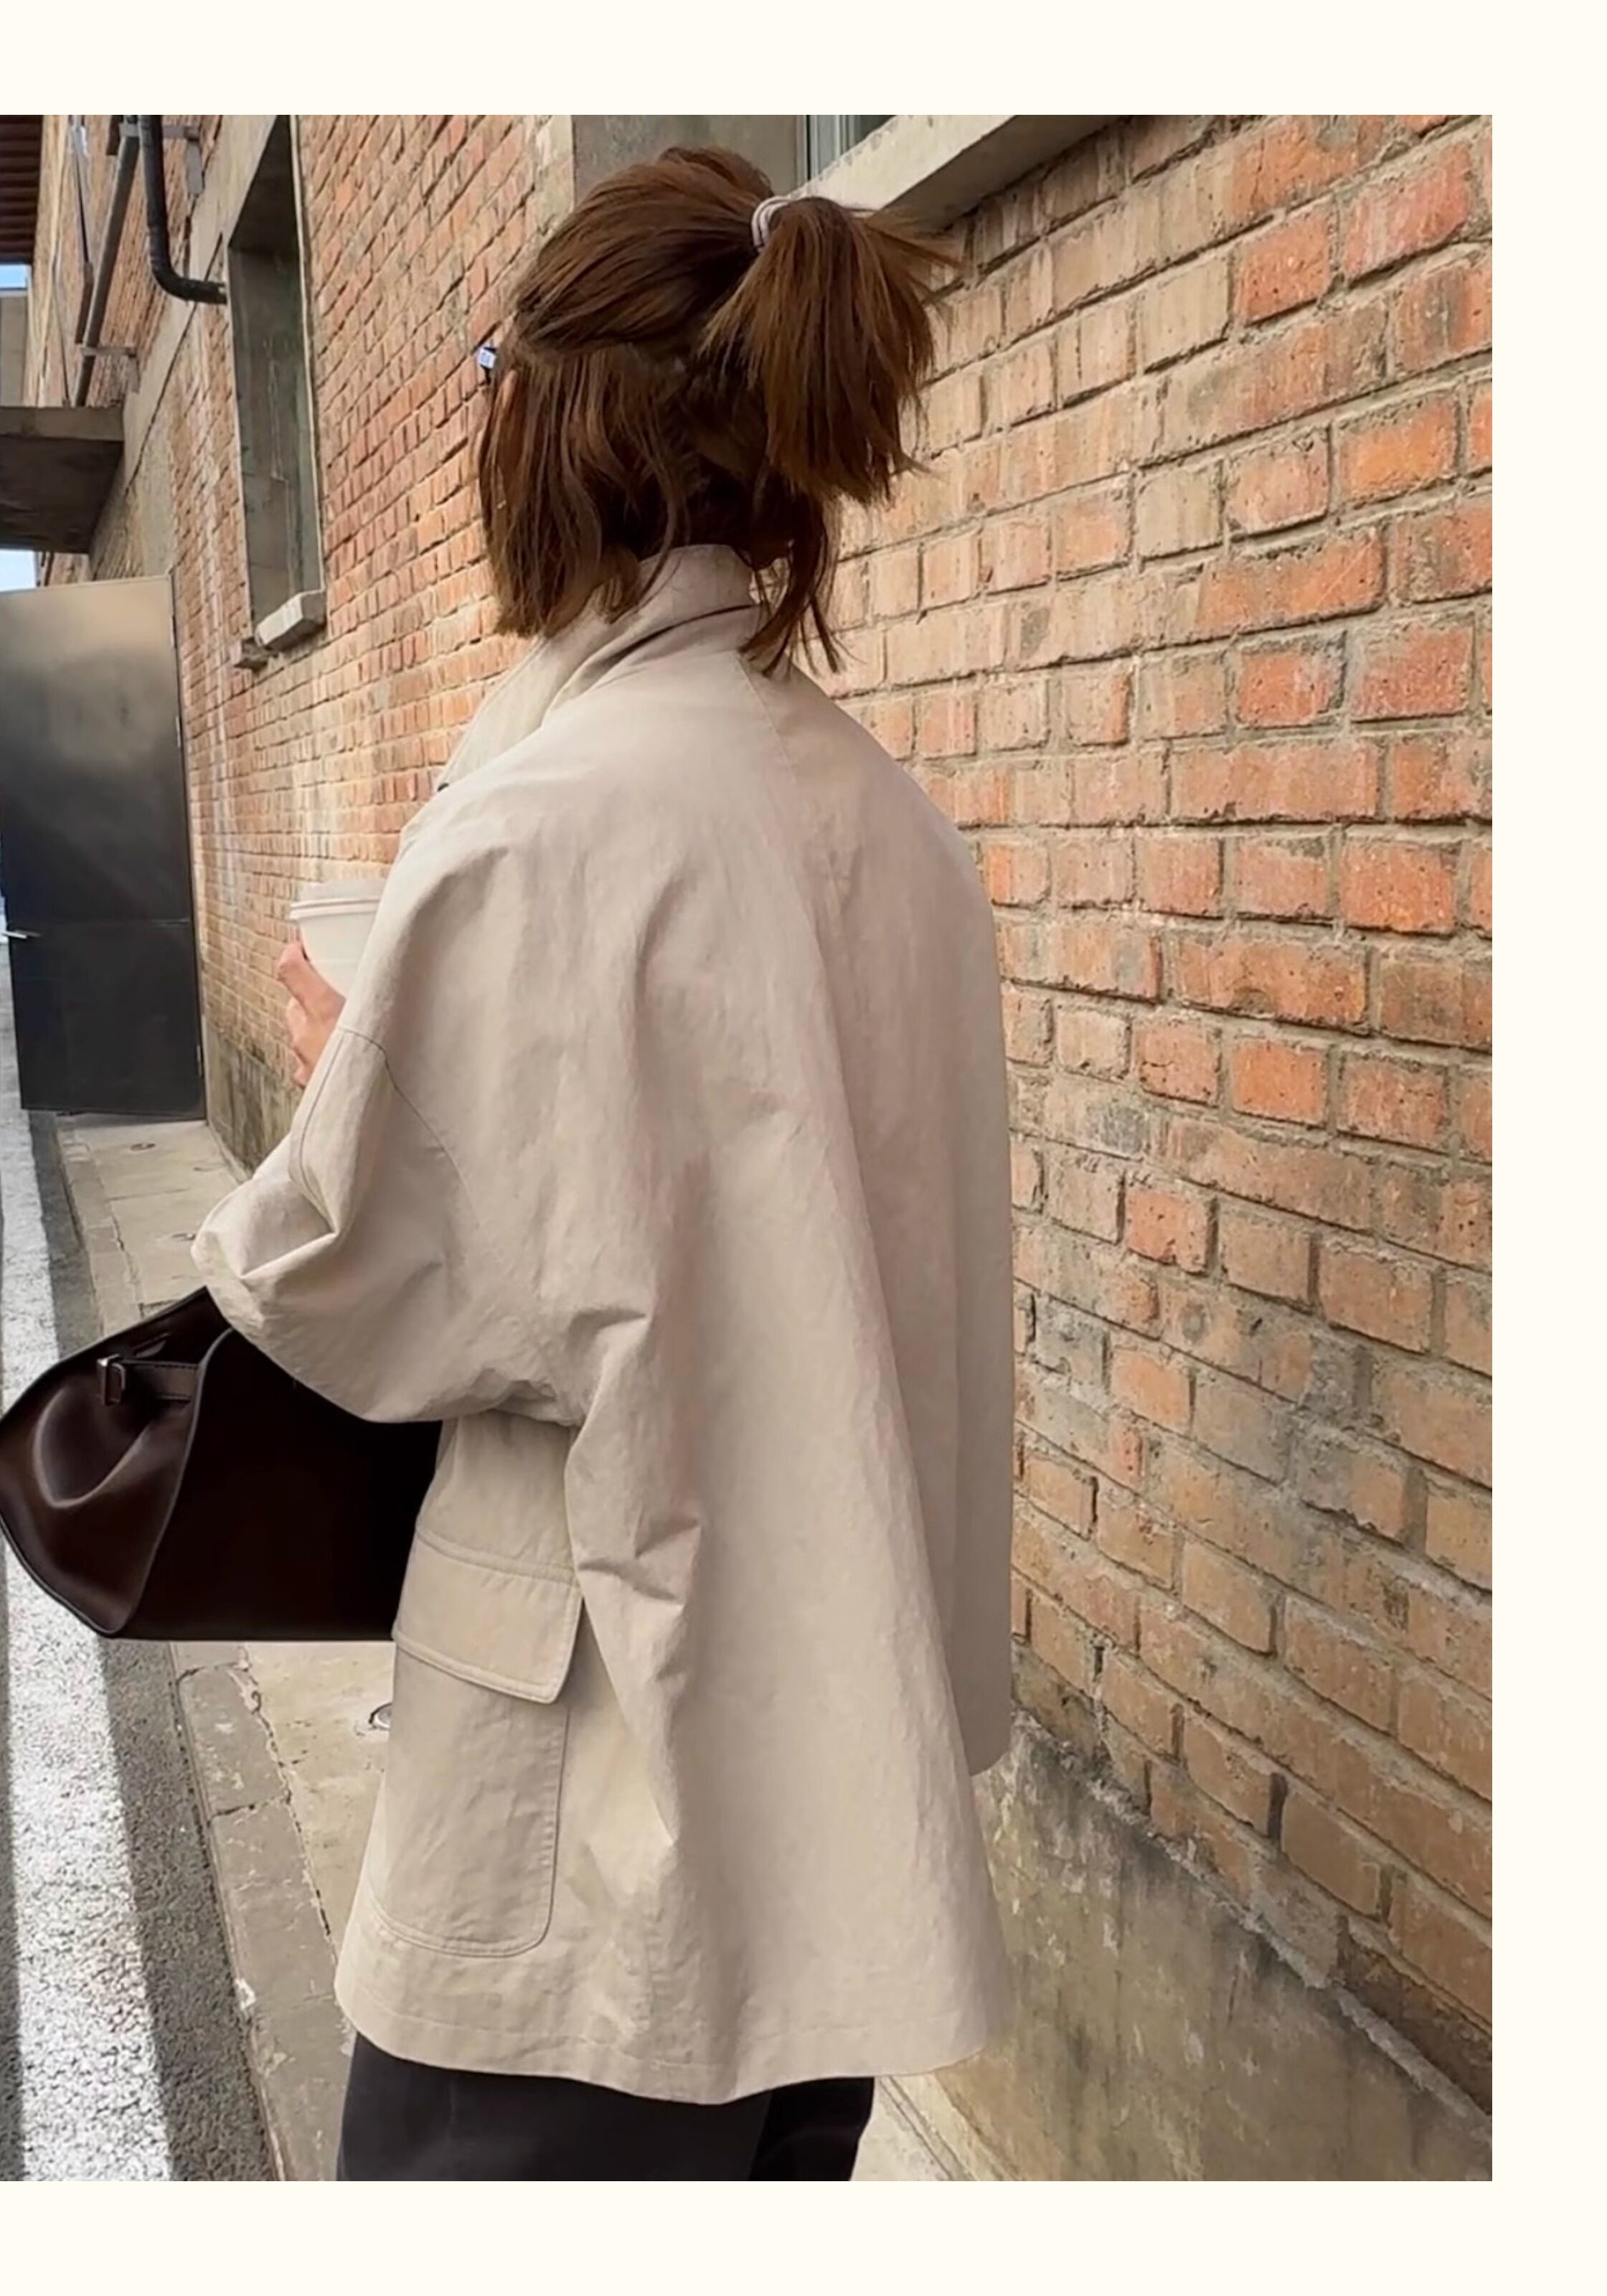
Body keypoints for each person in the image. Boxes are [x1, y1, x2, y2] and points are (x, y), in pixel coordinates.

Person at [194, 144, 1014, 2183]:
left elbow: (334, 1282)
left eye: (491, 375)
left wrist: (351, 1057)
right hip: (849, 1785)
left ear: (553, 423)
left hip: (590, 1820)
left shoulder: (542, 826)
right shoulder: (895, 828)